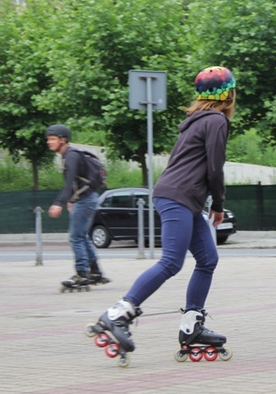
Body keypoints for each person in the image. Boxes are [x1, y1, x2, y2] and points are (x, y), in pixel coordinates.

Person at [87, 66, 236, 366]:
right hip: (178, 197)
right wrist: (218, 205)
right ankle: (117, 314)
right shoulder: (217, 121)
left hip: (182, 197)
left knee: (208, 259)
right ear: (229, 95)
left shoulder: (195, 120)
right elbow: (215, 169)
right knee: (171, 261)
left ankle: (192, 325)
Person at [46, 124, 109, 290]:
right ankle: (95, 271)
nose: (49, 142)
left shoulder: (71, 155)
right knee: (82, 235)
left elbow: (69, 182)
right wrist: (71, 200)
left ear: (62, 140)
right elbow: (76, 182)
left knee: (75, 237)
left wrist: (59, 203)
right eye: (48, 139)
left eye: (52, 139)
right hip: (86, 199)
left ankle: (82, 274)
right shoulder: (69, 155)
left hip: (86, 200)